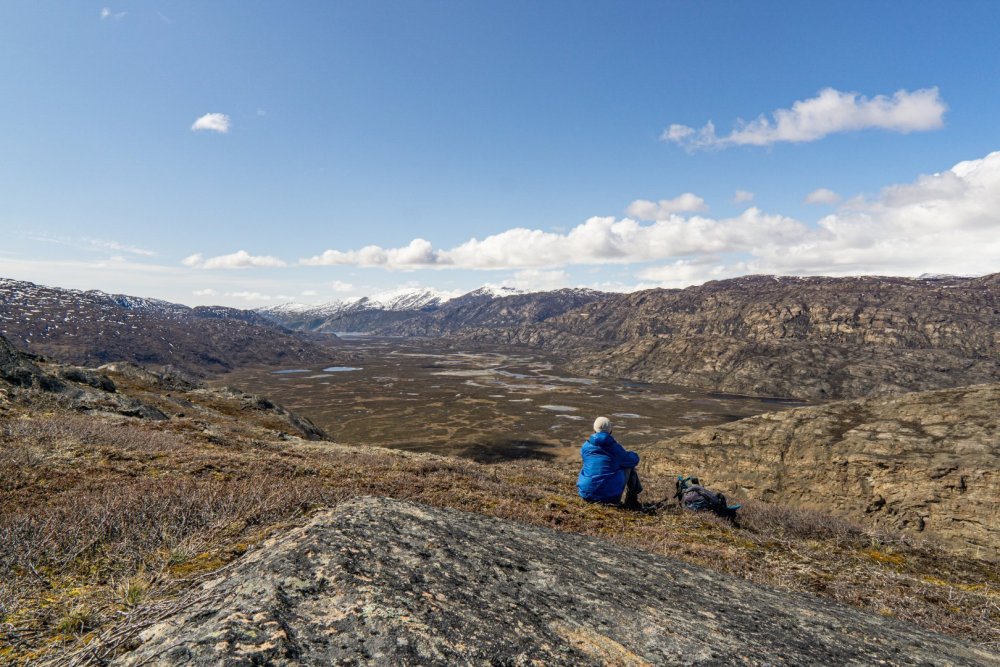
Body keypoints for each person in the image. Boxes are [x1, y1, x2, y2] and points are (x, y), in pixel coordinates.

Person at [577, 416, 643, 508]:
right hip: (609, 498)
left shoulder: (585, 447)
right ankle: (631, 501)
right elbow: (634, 460)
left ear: (594, 430)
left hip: (586, 494)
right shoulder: (615, 449)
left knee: (588, 465)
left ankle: (591, 490)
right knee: (628, 466)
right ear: (610, 431)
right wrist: (631, 454)